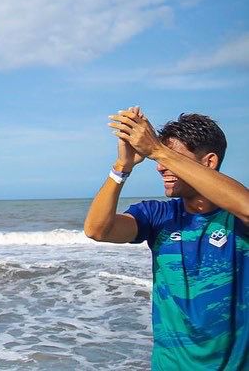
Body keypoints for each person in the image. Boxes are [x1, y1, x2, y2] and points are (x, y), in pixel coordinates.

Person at [84, 109, 248, 370]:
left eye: (173, 159)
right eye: (159, 159)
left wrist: (158, 149)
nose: (160, 167)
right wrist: (122, 168)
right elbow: (98, 230)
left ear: (209, 162)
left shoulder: (237, 218)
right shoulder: (159, 215)